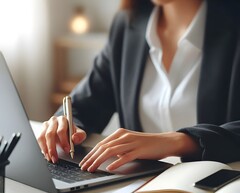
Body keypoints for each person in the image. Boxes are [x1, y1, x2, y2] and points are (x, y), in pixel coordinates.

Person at [38, 0, 240, 173]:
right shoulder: (128, 24)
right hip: (136, 192)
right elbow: (85, 104)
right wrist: (64, 125)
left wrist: (179, 142)